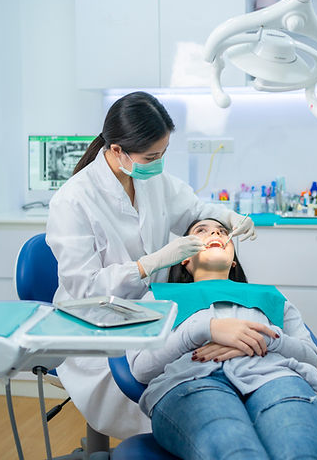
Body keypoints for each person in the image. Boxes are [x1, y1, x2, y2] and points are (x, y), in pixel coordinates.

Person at [45, 92, 256, 439]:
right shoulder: (73, 201)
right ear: (117, 151)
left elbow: (192, 211)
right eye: (151, 156)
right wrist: (149, 265)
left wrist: (227, 216)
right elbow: (85, 288)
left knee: (206, 376)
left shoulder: (150, 177)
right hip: (97, 326)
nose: (157, 163)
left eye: (162, 154)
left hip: (153, 314)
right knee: (180, 397)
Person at [127, 218, 317, 459]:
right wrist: (203, 329)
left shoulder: (271, 296)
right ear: (185, 258)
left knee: (301, 453)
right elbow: (141, 368)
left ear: (233, 261)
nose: (214, 232)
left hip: (275, 378)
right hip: (192, 383)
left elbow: (312, 358)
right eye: (201, 231)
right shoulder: (157, 298)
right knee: (237, 453)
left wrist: (264, 340)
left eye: (223, 232)